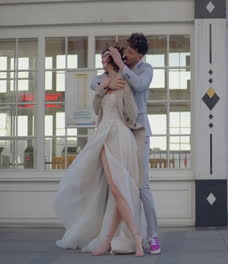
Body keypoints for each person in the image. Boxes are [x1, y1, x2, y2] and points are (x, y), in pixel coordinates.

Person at [55, 47, 147, 256]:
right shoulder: (101, 81)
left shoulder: (124, 80)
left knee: (119, 189)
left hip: (120, 136)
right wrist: (103, 88)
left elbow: (132, 112)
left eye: (106, 56)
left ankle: (127, 237)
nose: (102, 59)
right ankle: (120, 238)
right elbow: (96, 110)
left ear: (114, 59)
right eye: (102, 56)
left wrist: (120, 90)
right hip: (103, 137)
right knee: (114, 188)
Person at [90, 33, 161, 255]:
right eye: (126, 52)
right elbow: (95, 82)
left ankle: (153, 236)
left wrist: (121, 66)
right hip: (119, 133)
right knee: (118, 186)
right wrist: (109, 80)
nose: (127, 56)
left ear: (140, 55)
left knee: (142, 186)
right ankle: (122, 235)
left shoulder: (145, 70)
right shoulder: (120, 70)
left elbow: (139, 86)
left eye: (130, 53)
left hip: (138, 131)